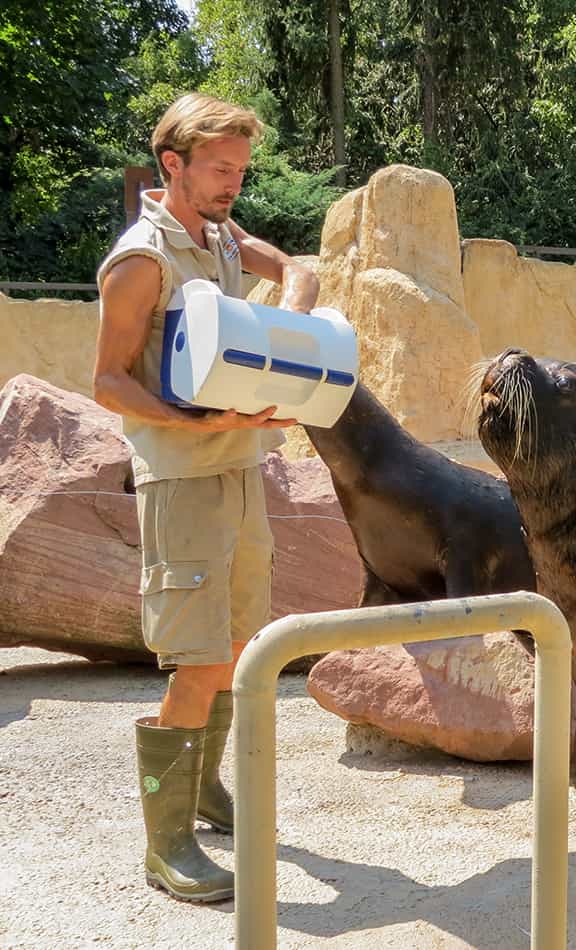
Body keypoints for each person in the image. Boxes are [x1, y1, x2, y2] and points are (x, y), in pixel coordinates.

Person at [92, 93, 319, 902]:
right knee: (195, 662)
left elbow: (295, 267)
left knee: (234, 648)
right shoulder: (142, 260)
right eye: (221, 170)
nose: (234, 184)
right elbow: (108, 381)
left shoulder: (219, 234)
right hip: (181, 478)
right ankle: (167, 840)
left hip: (239, 466)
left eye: (241, 170)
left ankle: (206, 788)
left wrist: (284, 334)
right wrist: (197, 419)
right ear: (173, 166)